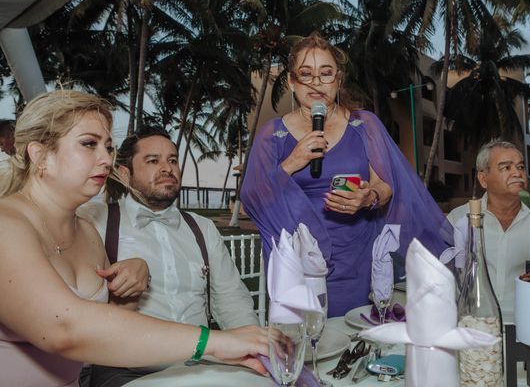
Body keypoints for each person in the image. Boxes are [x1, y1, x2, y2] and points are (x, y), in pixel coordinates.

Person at [0, 90, 268, 387]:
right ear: (39, 154)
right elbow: (65, 328)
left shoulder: (86, 232)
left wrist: (132, 287)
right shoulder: (6, 225)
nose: (105, 159)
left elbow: (107, 327)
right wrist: (214, 342)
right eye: (89, 144)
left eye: (108, 147)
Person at [241, 32, 453, 317]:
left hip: (356, 259)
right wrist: (292, 162)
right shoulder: (272, 134)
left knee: (357, 339)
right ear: (292, 82)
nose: (316, 82)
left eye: (325, 73)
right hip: (298, 265)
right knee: (303, 346)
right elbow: (251, 201)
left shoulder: (365, 125)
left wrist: (370, 197)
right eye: (306, 74)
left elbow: (386, 184)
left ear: (338, 80)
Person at [78, 126, 259, 387]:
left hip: (202, 365)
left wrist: (252, 346)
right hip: (127, 369)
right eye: (153, 161)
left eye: (172, 160)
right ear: (124, 173)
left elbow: (231, 300)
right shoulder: (96, 221)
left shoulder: (202, 228)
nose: (167, 168)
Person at [446, 140, 530, 322]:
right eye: (506, 168)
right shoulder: (459, 219)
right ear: (483, 179)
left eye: (521, 167)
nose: (517, 173)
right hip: (472, 327)